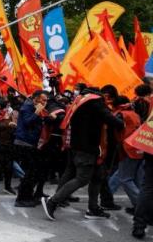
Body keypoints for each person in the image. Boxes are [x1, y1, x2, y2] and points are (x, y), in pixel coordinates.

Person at [42, 87, 125, 220]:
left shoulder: (80, 100)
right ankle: (52, 202)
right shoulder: (95, 102)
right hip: (87, 147)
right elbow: (111, 119)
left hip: (79, 145)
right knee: (82, 178)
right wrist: (122, 122)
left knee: (97, 177)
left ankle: (93, 208)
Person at [107, 96, 143, 212]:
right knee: (136, 179)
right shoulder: (134, 114)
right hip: (139, 147)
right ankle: (139, 205)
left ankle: (141, 207)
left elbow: (114, 132)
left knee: (125, 179)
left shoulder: (120, 115)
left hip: (127, 149)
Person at [14, 90, 48, 207]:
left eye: (46, 100)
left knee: (34, 172)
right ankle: (21, 199)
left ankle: (28, 196)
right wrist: (37, 112)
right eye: (43, 100)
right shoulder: (27, 108)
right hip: (24, 143)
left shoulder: (34, 108)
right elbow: (28, 122)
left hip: (31, 143)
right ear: (36, 99)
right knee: (29, 173)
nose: (45, 102)